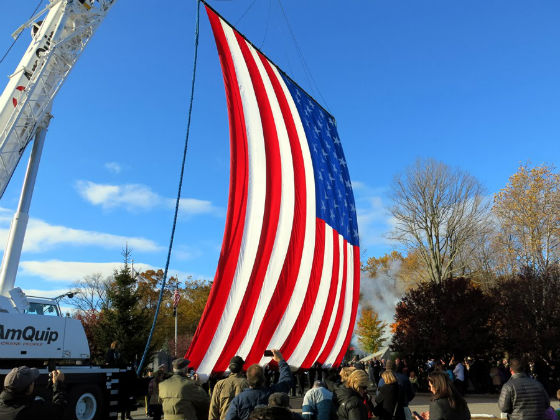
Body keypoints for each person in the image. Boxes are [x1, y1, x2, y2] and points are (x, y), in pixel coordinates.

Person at [226, 349, 292, 420]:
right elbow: (286, 380)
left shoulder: (238, 400)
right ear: (264, 378)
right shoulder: (273, 394)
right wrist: (280, 360)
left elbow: (230, 418)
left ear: (247, 379)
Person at [0, 366, 67, 420]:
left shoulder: (3, 403)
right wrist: (58, 385)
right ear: (27, 389)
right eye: (32, 382)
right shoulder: (27, 412)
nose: (33, 383)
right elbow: (57, 412)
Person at [209, 356, 249, 420]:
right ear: (241, 368)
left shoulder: (220, 384)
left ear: (230, 368)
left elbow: (213, 408)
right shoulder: (247, 384)